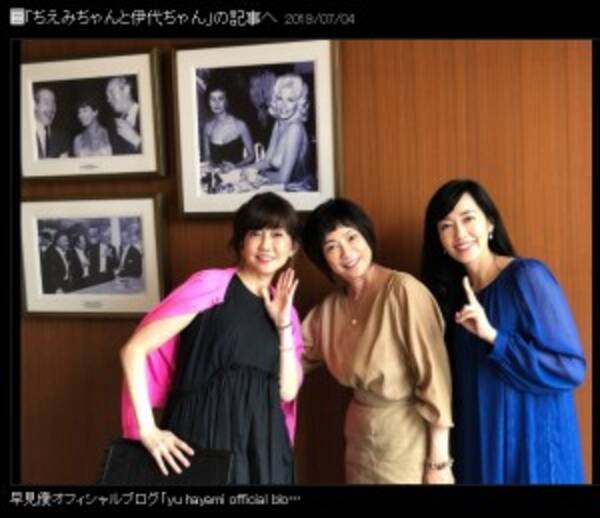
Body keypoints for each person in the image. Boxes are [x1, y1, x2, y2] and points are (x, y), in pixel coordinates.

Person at [119, 192, 304, 484]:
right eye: (255, 233)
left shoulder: (287, 311)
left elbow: (287, 392)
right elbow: (134, 349)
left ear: (292, 247)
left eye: (277, 234)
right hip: (202, 436)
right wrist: (148, 429)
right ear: (241, 243)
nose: (266, 245)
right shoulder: (211, 285)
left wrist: (283, 325)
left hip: (263, 446)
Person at [421, 179, 586, 484]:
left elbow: (571, 368)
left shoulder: (526, 276)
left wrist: (494, 337)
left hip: (532, 445)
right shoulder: (452, 299)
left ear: (490, 223)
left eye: (468, 218)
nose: (459, 233)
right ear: (439, 239)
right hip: (479, 444)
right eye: (446, 225)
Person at [301, 198, 454, 484]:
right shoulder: (331, 307)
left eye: (351, 237)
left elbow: (435, 377)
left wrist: (439, 461)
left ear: (366, 236)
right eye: (332, 246)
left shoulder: (402, 290)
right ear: (323, 260)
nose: (346, 252)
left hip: (405, 433)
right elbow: (295, 357)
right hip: (358, 435)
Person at [254, 74, 315, 191]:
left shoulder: (295, 128)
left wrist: (256, 176)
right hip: (281, 189)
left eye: (290, 100)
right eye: (279, 98)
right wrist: (238, 170)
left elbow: (283, 178)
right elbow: (267, 161)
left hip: (297, 193)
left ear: (299, 103)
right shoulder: (279, 123)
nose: (283, 106)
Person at [202, 86, 255, 172]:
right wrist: (214, 169)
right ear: (208, 102)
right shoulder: (207, 127)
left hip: (237, 173)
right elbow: (207, 157)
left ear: (226, 101)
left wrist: (236, 167)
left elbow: (251, 156)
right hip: (216, 175)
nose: (217, 103)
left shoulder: (240, 125)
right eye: (212, 99)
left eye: (220, 99)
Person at [105, 76, 142, 155]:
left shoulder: (149, 115)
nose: (108, 99)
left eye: (111, 92)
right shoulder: (114, 127)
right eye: (107, 95)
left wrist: (136, 140)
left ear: (126, 90)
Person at [33, 87, 70, 159]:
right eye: (46, 103)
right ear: (35, 106)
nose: (51, 108)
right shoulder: (25, 134)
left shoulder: (62, 137)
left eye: (53, 103)